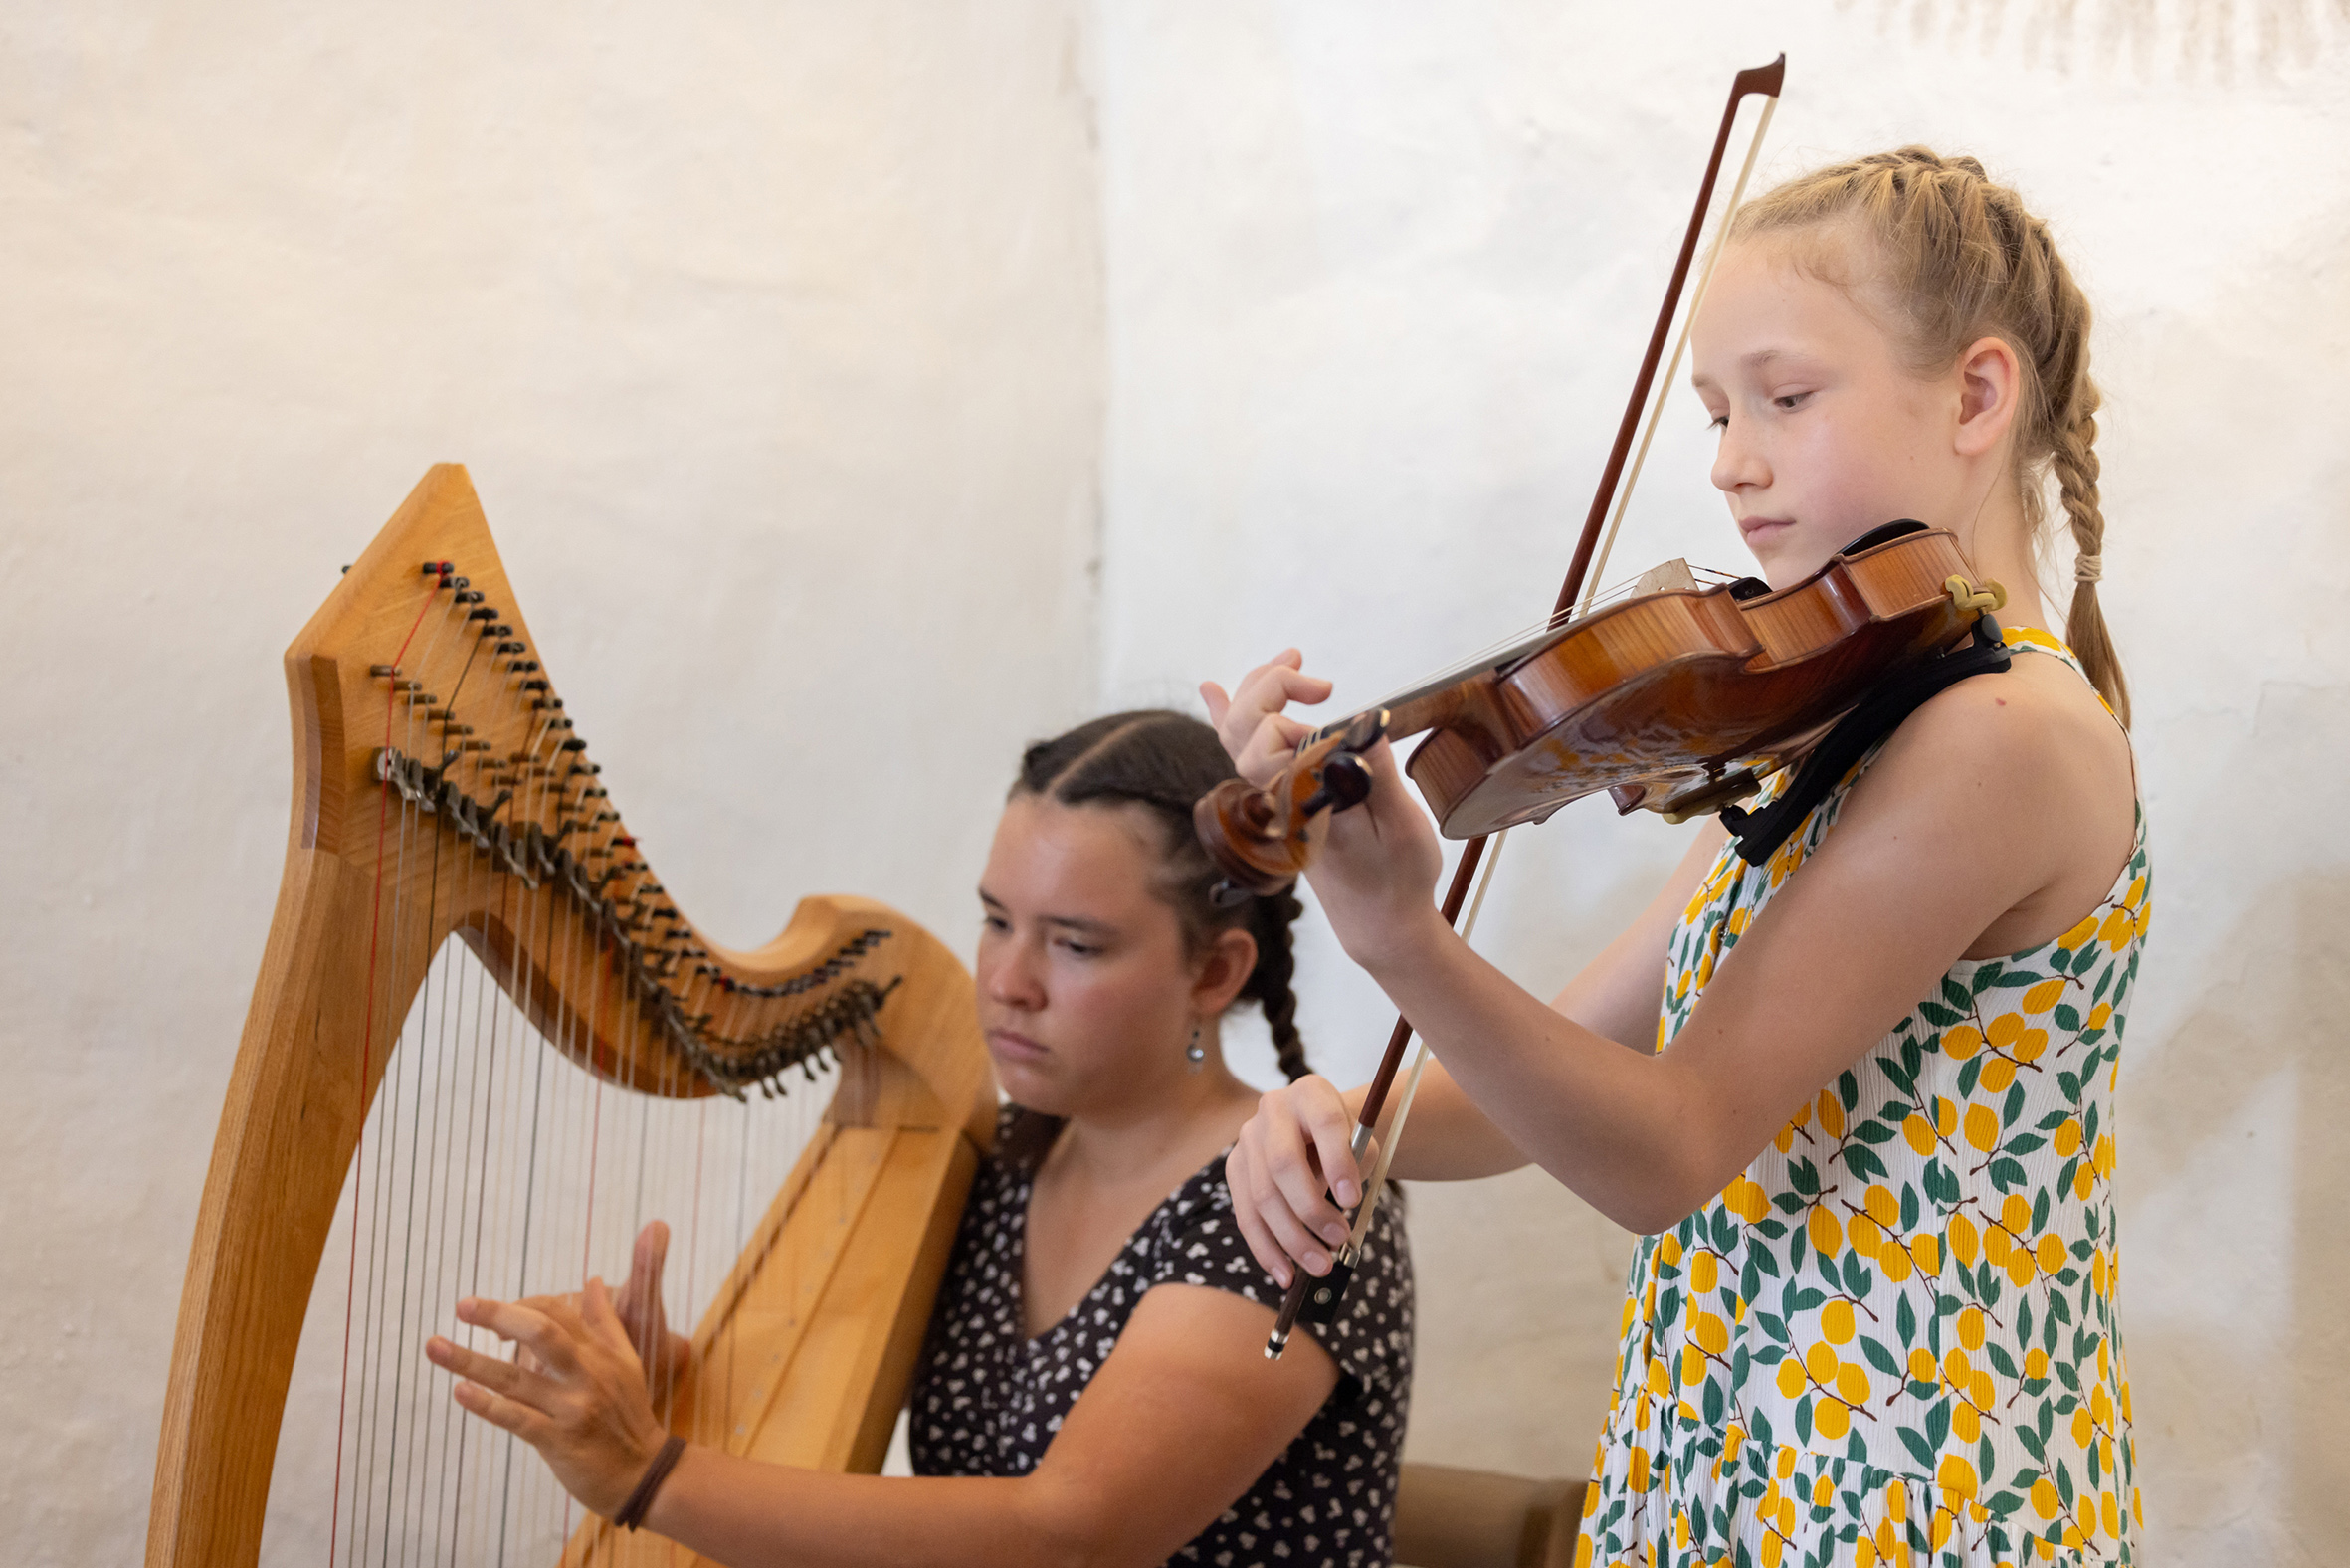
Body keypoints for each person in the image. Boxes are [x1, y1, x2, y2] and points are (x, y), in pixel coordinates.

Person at [1208, 149, 2144, 1567]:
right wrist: (1354, 1115)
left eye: (1783, 396)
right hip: (1743, 1455)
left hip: (1906, 1489)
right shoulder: (1849, 728)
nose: (1729, 462)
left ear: (1972, 395)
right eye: (1714, 412)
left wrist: (1404, 938)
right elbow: (1577, 1067)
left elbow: (1669, 1147)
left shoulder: (2004, 736)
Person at [424, 710, 1413, 1568]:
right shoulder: (1001, 1162)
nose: (1007, 980)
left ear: (1213, 973)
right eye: (995, 921)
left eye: (1074, 943)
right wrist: (676, 1386)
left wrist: (652, 1474)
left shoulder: (1292, 1194)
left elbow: (1072, 1537)